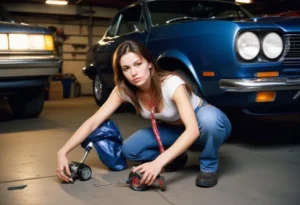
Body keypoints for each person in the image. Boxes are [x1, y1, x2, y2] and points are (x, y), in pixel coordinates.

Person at [56, 40, 232, 188]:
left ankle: (208, 166)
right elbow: (94, 122)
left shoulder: (171, 84)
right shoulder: (124, 90)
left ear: (149, 63)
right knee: (130, 151)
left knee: (210, 120)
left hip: (201, 123)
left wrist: (157, 163)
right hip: (172, 129)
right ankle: (177, 157)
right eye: (126, 68)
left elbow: (192, 130)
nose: (133, 73)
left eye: (138, 64)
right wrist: (63, 152)